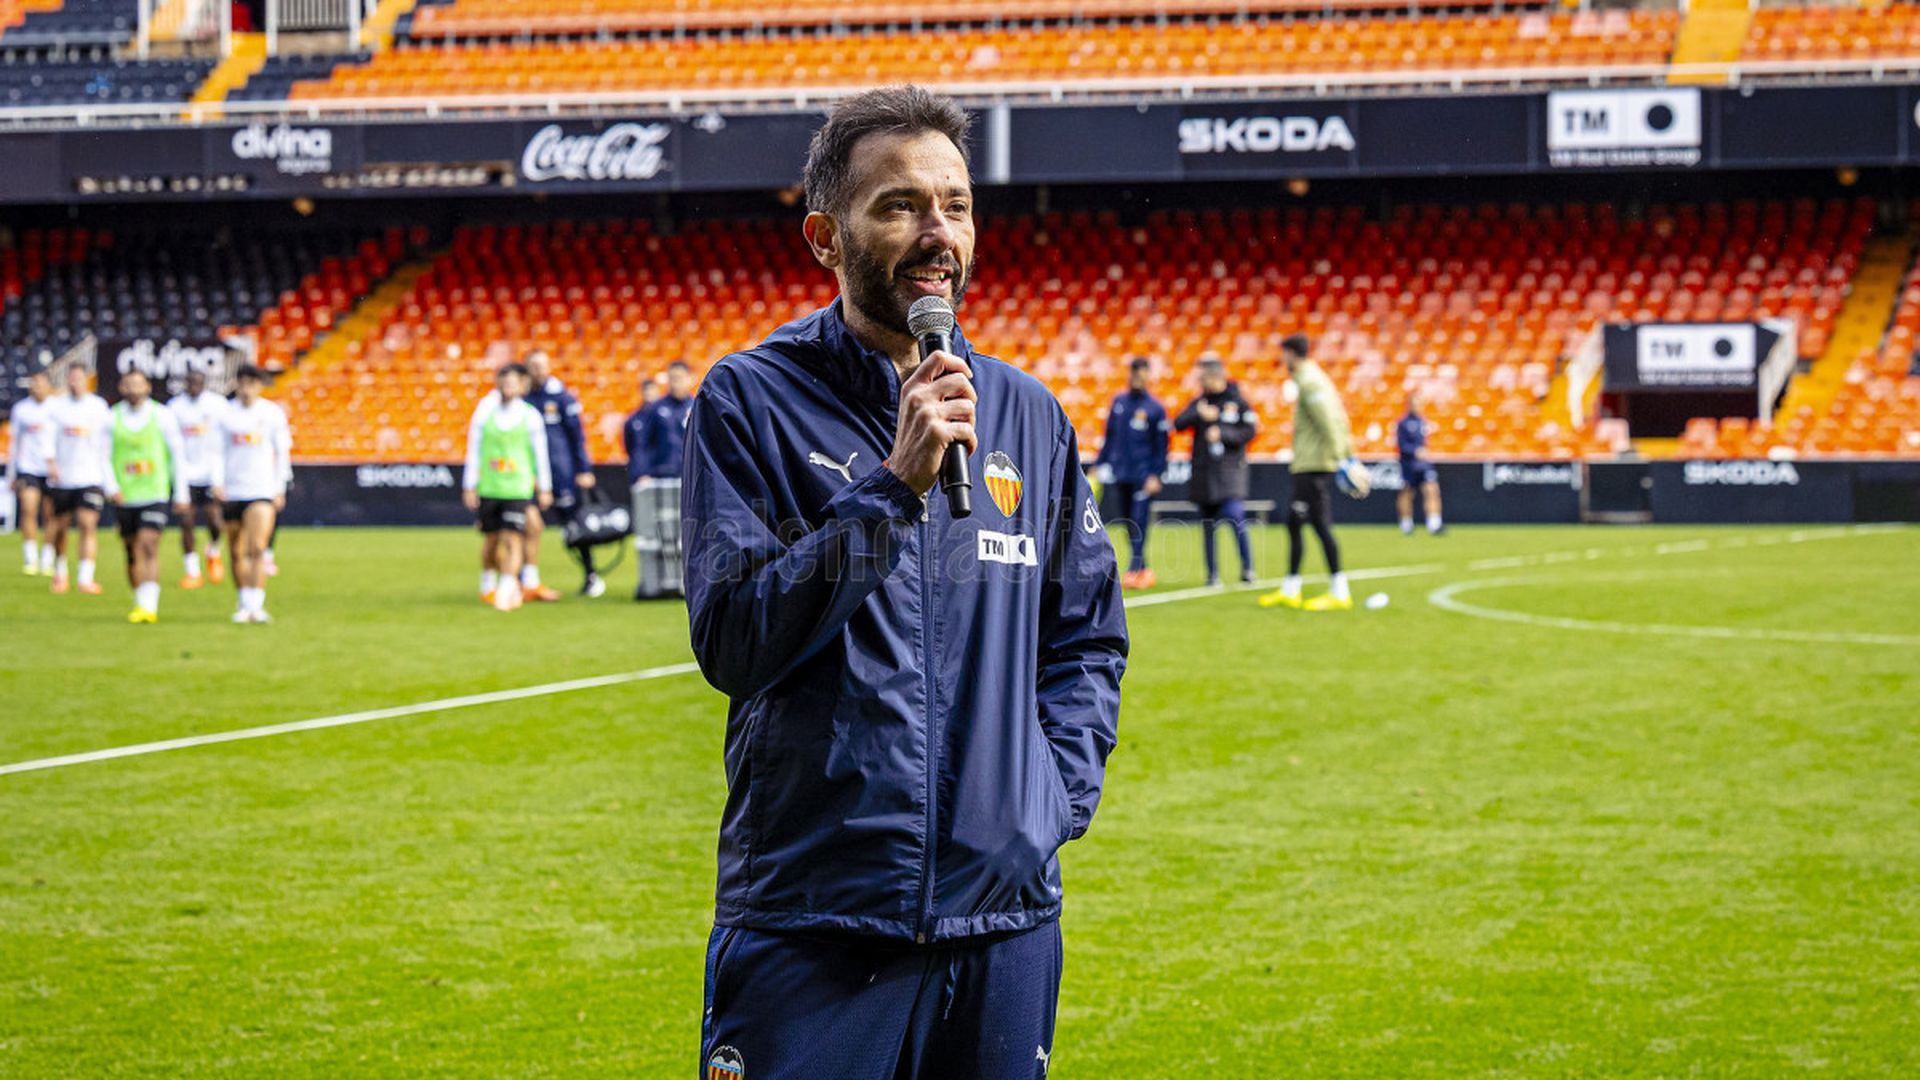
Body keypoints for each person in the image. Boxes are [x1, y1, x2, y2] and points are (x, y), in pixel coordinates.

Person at [683, 86, 1126, 1080]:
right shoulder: (747, 401)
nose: (939, 233)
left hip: (1005, 923)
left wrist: (1048, 802)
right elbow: (734, 637)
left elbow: (1087, 640)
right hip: (815, 921)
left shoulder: (1029, 416)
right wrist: (891, 491)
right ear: (824, 239)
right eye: (900, 206)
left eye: (957, 205)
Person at [1261, 335, 1355, 611]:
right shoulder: (1312, 378)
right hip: (1309, 464)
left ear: (1291, 353)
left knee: (1320, 525)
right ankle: (1292, 587)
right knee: (1296, 522)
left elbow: (1330, 420)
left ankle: (1339, 590)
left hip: (1313, 465)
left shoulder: (1310, 381)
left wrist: (1343, 457)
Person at [462, 362, 552, 611]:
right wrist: (469, 484)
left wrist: (545, 487)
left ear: (522, 386)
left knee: (513, 538)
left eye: (513, 383)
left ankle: (507, 587)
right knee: (491, 540)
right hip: (491, 486)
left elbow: (540, 454)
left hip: (518, 488)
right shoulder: (485, 412)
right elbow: (474, 449)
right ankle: (488, 585)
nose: (508, 387)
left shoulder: (530, 415)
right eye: (505, 382)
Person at [210, 365, 291, 624]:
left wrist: (280, 486)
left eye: (252, 384)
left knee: (258, 547)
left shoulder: (271, 413)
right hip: (233, 490)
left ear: (259, 386)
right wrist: (217, 481)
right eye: (243, 383)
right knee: (236, 550)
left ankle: (257, 604)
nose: (247, 389)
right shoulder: (225, 414)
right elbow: (216, 451)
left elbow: (283, 451)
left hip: (261, 489)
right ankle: (244, 601)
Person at [106, 370, 189, 623]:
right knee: (131, 551)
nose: (133, 389)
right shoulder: (112, 418)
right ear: (122, 387)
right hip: (126, 495)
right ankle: (140, 599)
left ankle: (149, 607)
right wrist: (111, 487)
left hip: (155, 492)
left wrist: (181, 492)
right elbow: (102, 455)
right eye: (129, 384)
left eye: (138, 384)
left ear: (147, 387)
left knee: (148, 545)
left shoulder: (162, 415)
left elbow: (177, 455)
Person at [1173, 354, 1257, 587]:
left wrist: (1222, 432)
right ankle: (1213, 574)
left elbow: (1249, 432)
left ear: (1215, 376)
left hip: (1230, 473)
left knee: (1235, 517)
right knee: (1208, 525)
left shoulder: (1237, 401)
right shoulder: (1200, 402)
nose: (1201, 384)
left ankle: (1248, 568)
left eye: (1203, 379)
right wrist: (1197, 414)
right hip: (1204, 474)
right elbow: (1178, 423)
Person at [521, 350, 597, 598]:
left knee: (575, 528)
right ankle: (525, 581)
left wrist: (583, 469)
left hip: (561, 473)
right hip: (527, 474)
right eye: (534, 366)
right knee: (526, 526)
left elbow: (577, 436)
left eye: (542, 365)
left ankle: (591, 575)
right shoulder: (521, 399)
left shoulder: (562, 397)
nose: (538, 370)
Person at [1093, 355, 1169, 590]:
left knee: (1139, 521)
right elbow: (1110, 437)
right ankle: (1143, 567)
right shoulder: (1119, 403)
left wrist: (1157, 474)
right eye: (1135, 371)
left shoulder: (1155, 408)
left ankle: (1133, 571)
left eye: (1142, 371)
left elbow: (1162, 446)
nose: (1138, 376)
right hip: (1121, 473)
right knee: (1128, 523)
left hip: (1143, 476)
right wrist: (1100, 462)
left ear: (1148, 375)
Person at [44, 362, 113, 595]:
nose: (75, 382)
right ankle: (60, 572)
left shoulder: (98, 406)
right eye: (71, 378)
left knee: (87, 524)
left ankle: (85, 577)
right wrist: (50, 462)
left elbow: (107, 444)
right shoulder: (56, 407)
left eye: (79, 378)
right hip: (63, 478)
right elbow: (47, 437)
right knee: (60, 528)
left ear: (87, 380)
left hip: (90, 476)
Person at [167, 367, 229, 588]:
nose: (194, 386)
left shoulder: (218, 405)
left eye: (198, 382)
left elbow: (223, 442)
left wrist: (220, 478)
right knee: (186, 522)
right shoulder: (174, 407)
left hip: (211, 472)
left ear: (204, 383)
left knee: (214, 519)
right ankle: (192, 570)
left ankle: (213, 549)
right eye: (190, 382)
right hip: (185, 473)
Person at [7, 366, 57, 576]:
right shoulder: (21, 410)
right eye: (33, 383)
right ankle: (30, 557)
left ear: (48, 385)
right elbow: (14, 442)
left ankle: (47, 558)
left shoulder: (57, 408)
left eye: (40, 382)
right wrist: (12, 473)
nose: (37, 387)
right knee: (28, 509)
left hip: (52, 469)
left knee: (51, 515)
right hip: (28, 468)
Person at [1395, 391, 1445, 536]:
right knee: (1406, 493)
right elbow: (1401, 445)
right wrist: (1414, 451)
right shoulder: (1402, 423)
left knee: (1432, 490)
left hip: (1424, 464)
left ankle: (1434, 524)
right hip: (1409, 464)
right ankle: (1406, 524)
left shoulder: (1424, 422)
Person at [619, 375, 662, 489]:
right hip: (640, 474)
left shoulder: (665, 417)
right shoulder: (633, 420)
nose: (649, 393)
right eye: (646, 390)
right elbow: (631, 447)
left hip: (662, 472)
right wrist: (641, 471)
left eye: (652, 389)